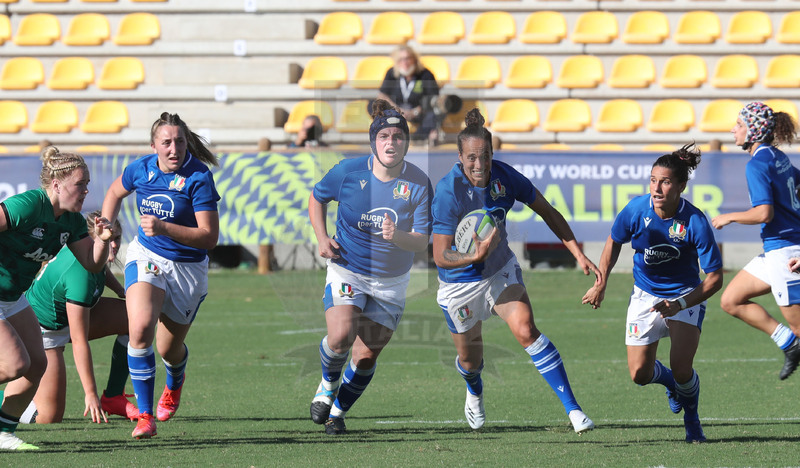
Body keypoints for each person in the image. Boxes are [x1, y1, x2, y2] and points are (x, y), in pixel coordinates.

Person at [432, 108, 598, 434]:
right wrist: (472, 256)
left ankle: (574, 410)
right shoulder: (448, 192)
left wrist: (578, 253)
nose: (479, 165)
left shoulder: (505, 177)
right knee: (470, 360)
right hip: (459, 284)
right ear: (460, 157)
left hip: (499, 271)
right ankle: (475, 390)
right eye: (471, 158)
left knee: (525, 329)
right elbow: (440, 255)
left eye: (486, 156)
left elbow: (547, 211)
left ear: (493, 153)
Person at [582, 144, 723, 443]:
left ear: (682, 186)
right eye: (653, 180)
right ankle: (670, 384)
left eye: (666, 181)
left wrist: (681, 303)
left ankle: (692, 420)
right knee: (639, 375)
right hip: (645, 296)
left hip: (684, 296)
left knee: (682, 367)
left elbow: (715, 279)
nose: (657, 188)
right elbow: (613, 240)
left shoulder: (695, 221)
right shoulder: (636, 209)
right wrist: (601, 282)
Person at [308, 99, 432, 435]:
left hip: (391, 281)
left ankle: (337, 412)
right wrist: (322, 238)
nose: (391, 142)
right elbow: (317, 197)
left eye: (398, 137)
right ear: (373, 142)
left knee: (364, 358)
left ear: (406, 142)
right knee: (341, 335)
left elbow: (422, 241)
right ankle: (327, 384)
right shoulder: (348, 172)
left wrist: (400, 236)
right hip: (349, 267)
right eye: (384, 137)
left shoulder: (419, 183)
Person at [101, 112, 221, 439]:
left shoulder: (198, 177)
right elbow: (113, 194)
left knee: (169, 349)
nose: (173, 148)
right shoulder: (141, 168)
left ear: (187, 143)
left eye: (179, 141)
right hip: (147, 254)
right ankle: (145, 416)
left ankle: (175, 380)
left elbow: (209, 238)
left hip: (188, 270)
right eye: (166, 142)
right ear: (153, 145)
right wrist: (109, 230)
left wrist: (165, 226)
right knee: (139, 328)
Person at [0, 147, 112, 450]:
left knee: (37, 364)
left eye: (88, 183)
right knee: (14, 365)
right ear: (58, 185)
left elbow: (91, 263)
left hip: (12, 296)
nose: (87, 190)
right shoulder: (28, 206)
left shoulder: (72, 221)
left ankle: (2, 431)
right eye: (80, 184)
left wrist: (102, 241)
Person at [711, 101, 800, 380]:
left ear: (753, 131)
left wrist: (730, 217)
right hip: (777, 249)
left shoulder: (758, 164)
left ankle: (794, 341)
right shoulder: (777, 156)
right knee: (730, 299)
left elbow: (764, 213)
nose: (732, 129)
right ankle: (789, 345)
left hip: (785, 253)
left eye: (738, 125)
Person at [23, 211, 136, 424]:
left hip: (71, 315)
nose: (113, 245)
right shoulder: (80, 276)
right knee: (48, 416)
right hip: (44, 332)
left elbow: (101, 268)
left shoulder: (92, 251)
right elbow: (79, 341)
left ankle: (113, 396)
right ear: (91, 240)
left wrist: (121, 291)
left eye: (117, 238)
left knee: (136, 319)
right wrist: (90, 392)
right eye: (108, 240)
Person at [378, 45, 440, 143]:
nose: (405, 62)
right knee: (374, 105)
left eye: (407, 58)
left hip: (419, 111)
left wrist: (415, 111)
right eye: (401, 59)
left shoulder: (425, 74)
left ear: (414, 59)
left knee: (434, 111)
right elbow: (382, 95)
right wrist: (398, 110)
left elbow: (433, 98)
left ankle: (418, 138)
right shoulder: (391, 73)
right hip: (396, 111)